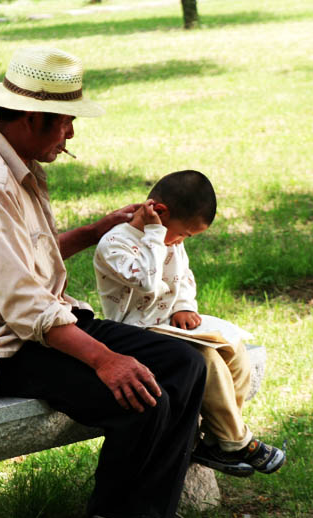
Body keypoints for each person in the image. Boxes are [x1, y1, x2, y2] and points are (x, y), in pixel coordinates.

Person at [0, 46, 207, 518]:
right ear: (34, 118)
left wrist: (98, 229)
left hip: (47, 327)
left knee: (186, 364)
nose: (71, 134)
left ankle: (145, 508)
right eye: (66, 122)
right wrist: (106, 359)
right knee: (144, 389)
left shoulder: (16, 168)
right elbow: (24, 308)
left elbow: (27, 263)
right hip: (6, 351)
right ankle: (118, 511)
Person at [93, 170, 285, 477]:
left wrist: (184, 305)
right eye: (183, 234)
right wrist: (156, 235)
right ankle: (238, 441)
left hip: (168, 326)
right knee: (206, 359)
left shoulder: (169, 240)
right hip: (134, 332)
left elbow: (182, 276)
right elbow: (146, 281)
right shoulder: (114, 244)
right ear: (161, 213)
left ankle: (214, 439)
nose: (180, 242)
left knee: (235, 351)